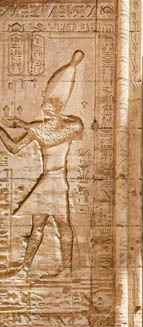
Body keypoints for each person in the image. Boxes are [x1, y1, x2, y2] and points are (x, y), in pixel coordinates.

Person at [0, 50, 84, 279]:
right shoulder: (39, 128)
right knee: (37, 225)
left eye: (52, 104)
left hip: (58, 181)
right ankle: (25, 269)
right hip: (46, 181)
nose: (46, 108)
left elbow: (52, 138)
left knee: (63, 224)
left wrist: (26, 126)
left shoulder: (72, 125)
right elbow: (15, 148)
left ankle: (66, 270)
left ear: (59, 106)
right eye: (46, 104)